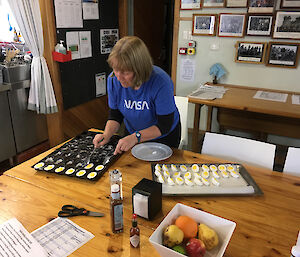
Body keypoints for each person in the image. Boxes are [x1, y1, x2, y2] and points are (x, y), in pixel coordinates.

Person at [93, 36, 181, 155]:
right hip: (133, 133)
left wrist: (136, 137)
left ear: (140, 69)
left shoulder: (161, 82)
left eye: (125, 72)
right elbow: (116, 114)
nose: (119, 77)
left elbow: (164, 125)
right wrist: (106, 134)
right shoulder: (113, 79)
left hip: (163, 136)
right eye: (116, 69)